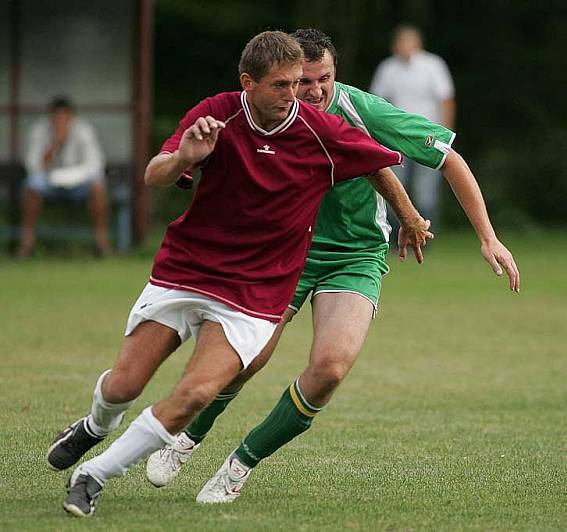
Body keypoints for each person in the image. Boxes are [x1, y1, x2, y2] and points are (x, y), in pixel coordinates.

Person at [47, 30, 431, 518]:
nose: (295, 95)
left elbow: (380, 164)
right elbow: (155, 174)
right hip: (189, 271)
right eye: (281, 86)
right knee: (123, 385)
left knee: (196, 393)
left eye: (299, 83)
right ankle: (94, 427)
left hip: (255, 292)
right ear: (248, 82)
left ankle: (95, 474)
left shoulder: (320, 130)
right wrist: (186, 156)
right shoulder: (216, 114)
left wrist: (412, 219)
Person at [144, 28, 519, 504]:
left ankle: (242, 462)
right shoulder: (264, 110)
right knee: (246, 359)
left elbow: (445, 159)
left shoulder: (356, 109)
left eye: (325, 79)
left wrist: (488, 238)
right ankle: (187, 437)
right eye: (304, 81)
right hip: (283, 253)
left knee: (331, 367)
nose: (315, 91)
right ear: (283, 79)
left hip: (355, 255)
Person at [370, 24, 455, 232]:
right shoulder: (387, 69)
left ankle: (425, 235)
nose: (404, 46)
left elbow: (446, 100)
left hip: (427, 137)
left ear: (417, 43)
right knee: (393, 185)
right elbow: (375, 102)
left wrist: (445, 135)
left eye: (408, 41)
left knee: (426, 188)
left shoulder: (433, 65)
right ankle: (395, 233)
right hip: (395, 136)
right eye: (400, 42)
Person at [17, 96, 111, 258]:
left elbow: (95, 165)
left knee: (98, 186)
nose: (60, 121)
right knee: (32, 186)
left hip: (78, 184)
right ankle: (27, 242)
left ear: (71, 117)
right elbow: (33, 166)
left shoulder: (83, 130)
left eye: (64, 117)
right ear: (50, 116)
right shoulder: (39, 131)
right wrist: (55, 143)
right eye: (56, 117)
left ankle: (101, 242)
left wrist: (74, 176)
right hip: (48, 183)